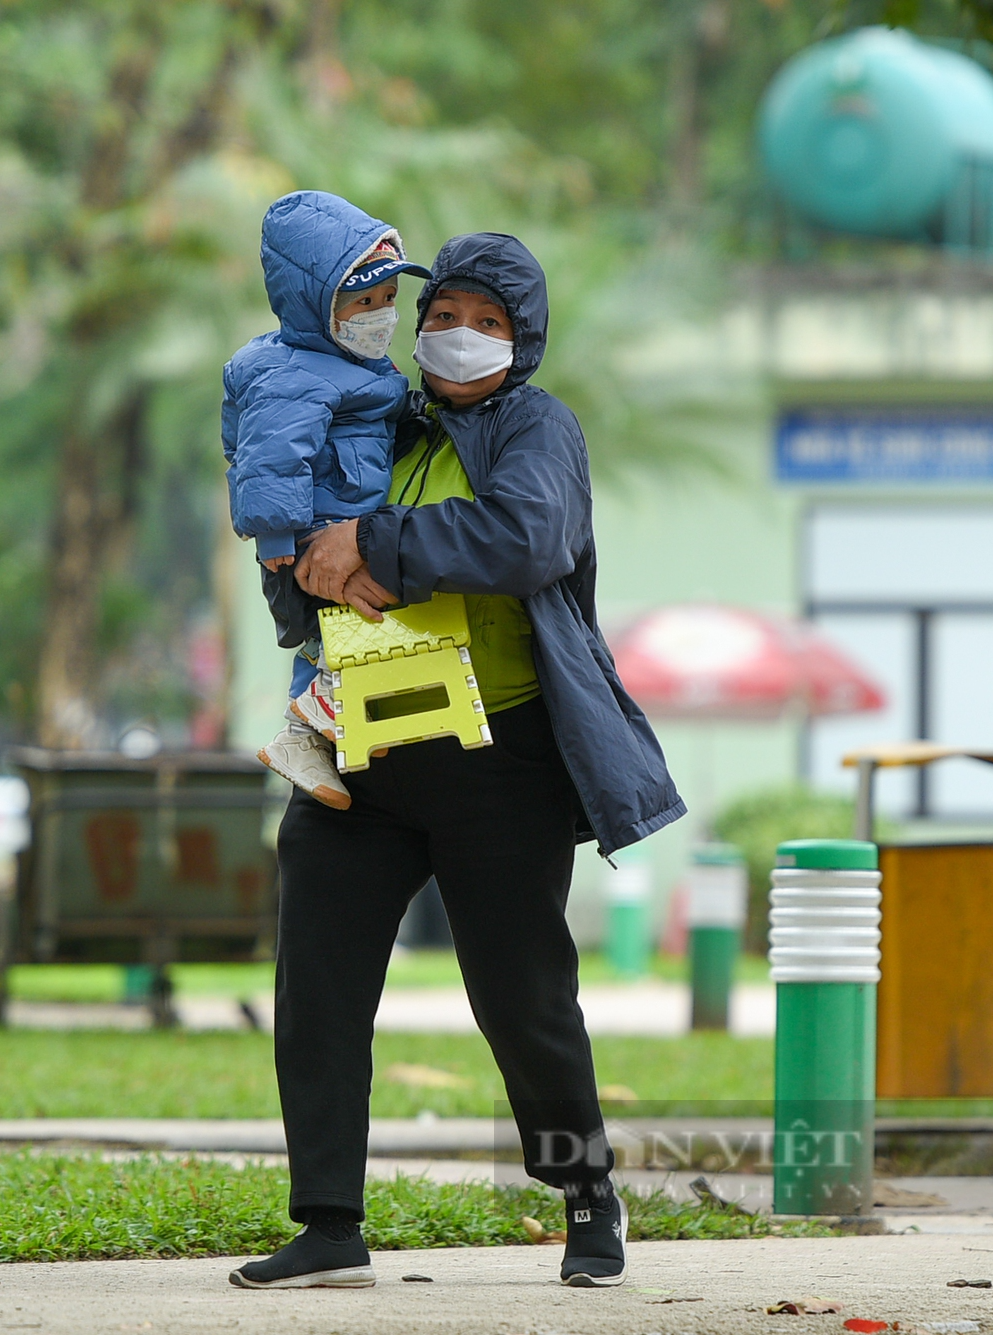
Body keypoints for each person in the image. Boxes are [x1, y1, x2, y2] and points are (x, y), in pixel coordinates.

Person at [227, 233, 685, 1292]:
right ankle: (328, 1221)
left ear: (521, 340)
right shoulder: (368, 413)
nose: (460, 337)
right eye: (445, 316)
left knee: (523, 997)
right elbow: (294, 557)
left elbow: (526, 540)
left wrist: (374, 549)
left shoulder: (536, 425)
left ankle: (585, 1197)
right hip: (362, 757)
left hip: (501, 762)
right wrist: (300, 571)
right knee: (320, 990)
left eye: (488, 323)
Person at [220, 190, 431, 811]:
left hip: (345, 523)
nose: (381, 314)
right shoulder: (292, 373)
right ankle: (303, 732)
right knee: (332, 635)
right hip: (312, 537)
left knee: (340, 635)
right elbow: (269, 457)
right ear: (318, 304)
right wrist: (281, 538)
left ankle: (323, 731)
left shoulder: (355, 366)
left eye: (389, 299)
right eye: (363, 301)